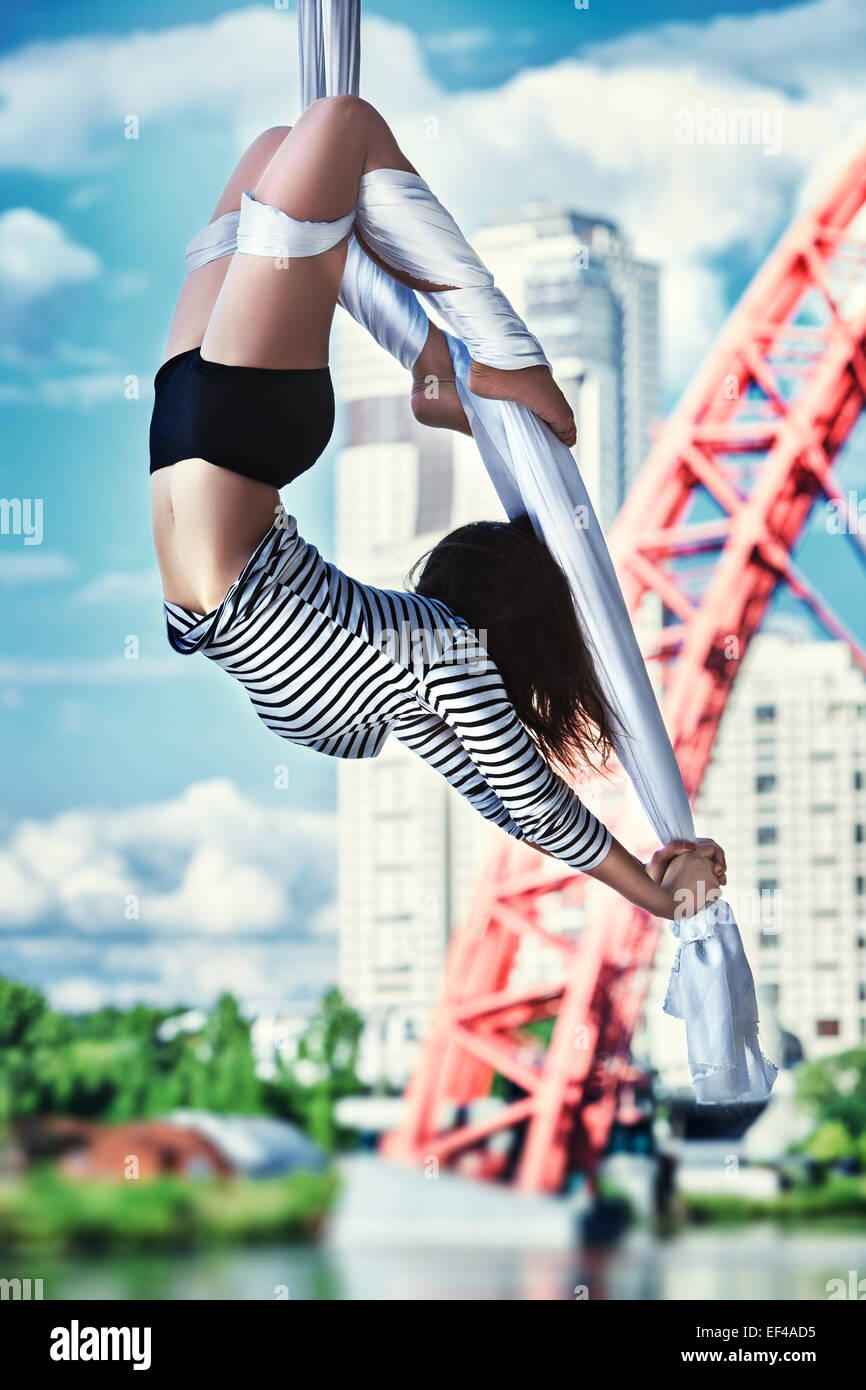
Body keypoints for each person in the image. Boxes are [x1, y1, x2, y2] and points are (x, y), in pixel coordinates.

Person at [149, 95, 725, 921]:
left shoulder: (444, 657)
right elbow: (514, 801)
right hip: (186, 447)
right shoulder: (418, 676)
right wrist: (657, 881)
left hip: (231, 437)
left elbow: (526, 804)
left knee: (339, 127)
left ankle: (483, 364)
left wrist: (659, 898)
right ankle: (439, 376)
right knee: (284, 148)